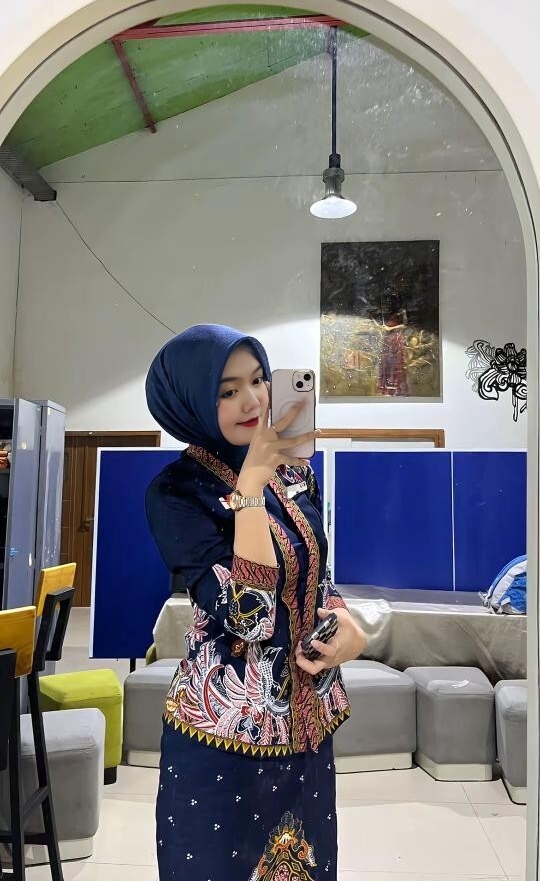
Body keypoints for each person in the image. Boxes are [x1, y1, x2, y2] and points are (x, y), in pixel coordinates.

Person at [145, 324, 366, 881]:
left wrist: (347, 627)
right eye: (227, 390)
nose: (253, 400)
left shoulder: (295, 471)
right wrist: (248, 493)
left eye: (259, 379)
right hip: (223, 737)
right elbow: (251, 615)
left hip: (306, 729)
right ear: (192, 402)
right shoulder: (175, 492)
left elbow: (315, 577)